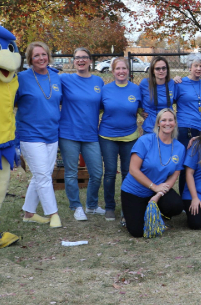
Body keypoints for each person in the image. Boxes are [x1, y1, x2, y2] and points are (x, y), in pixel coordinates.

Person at [17, 42, 63, 228]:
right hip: (30, 134)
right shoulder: (21, 78)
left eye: (43, 54)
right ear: (30, 59)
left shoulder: (56, 77)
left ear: (48, 56)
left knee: (41, 174)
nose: (41, 58)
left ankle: (29, 213)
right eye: (36, 56)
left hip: (52, 133)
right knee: (43, 176)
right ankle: (54, 214)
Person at [120, 109, 185, 238]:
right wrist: (154, 187)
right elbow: (133, 170)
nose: (168, 123)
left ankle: (156, 214)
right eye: (164, 120)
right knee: (138, 232)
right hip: (134, 191)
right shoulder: (145, 141)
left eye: (171, 120)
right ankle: (129, 216)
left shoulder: (179, 148)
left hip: (156, 192)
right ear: (158, 123)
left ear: (175, 123)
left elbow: (174, 175)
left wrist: (158, 194)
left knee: (176, 205)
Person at [58, 47, 104, 221]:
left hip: (91, 134)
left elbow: (103, 104)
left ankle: (91, 205)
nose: (81, 60)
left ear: (90, 61)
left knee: (97, 172)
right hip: (68, 133)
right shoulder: (65, 79)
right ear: (73, 61)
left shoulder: (98, 81)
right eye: (77, 58)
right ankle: (76, 206)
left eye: (84, 57)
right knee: (71, 173)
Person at [99, 57, 142, 222]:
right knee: (110, 173)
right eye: (118, 69)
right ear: (113, 71)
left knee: (128, 173)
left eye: (124, 68)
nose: (121, 72)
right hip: (107, 137)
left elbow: (142, 110)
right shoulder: (105, 90)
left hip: (130, 137)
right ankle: (110, 207)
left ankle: (127, 206)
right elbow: (97, 111)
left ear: (128, 71)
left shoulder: (136, 89)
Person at [173, 54, 201, 195]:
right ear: (189, 67)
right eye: (196, 66)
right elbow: (169, 102)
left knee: (200, 164)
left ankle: (197, 195)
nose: (198, 69)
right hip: (185, 129)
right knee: (186, 164)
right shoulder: (179, 84)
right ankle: (184, 197)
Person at [140, 56, 175, 134]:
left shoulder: (172, 83)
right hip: (150, 128)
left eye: (164, 68)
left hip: (168, 128)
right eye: (157, 69)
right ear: (152, 70)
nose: (161, 71)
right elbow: (137, 100)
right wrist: (139, 111)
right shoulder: (145, 84)